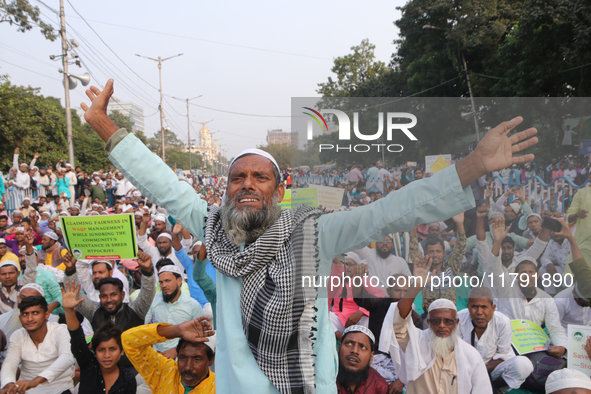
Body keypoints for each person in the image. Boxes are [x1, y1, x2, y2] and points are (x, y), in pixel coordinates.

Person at [81, 78, 538, 393]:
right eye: (238, 176)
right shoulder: (214, 227)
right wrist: (105, 125)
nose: (247, 184)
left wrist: (473, 166)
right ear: (225, 189)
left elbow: (388, 212)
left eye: (260, 177)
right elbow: (164, 183)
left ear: (279, 190)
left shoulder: (315, 231)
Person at [379, 256, 492, 393]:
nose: (442, 325)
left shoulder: (471, 356)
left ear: (456, 323)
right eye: (436, 321)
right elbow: (398, 322)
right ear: (428, 322)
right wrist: (415, 287)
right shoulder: (416, 343)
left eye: (448, 321)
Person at [479, 220, 568, 359]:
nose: (527, 276)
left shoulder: (546, 299)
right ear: (516, 276)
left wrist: (562, 347)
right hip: (506, 346)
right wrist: (497, 242)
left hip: (535, 348)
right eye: (523, 273)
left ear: (537, 275)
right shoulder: (506, 289)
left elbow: (555, 328)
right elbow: (492, 269)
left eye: (531, 273)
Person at [61, 282, 137, 394]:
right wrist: (69, 311)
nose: (107, 355)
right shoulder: (88, 366)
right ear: (94, 352)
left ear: (121, 351)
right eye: (101, 349)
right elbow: (77, 338)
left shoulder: (128, 379)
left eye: (112, 349)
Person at [352, 272, 422, 392]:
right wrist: (357, 277)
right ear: (389, 290)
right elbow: (359, 295)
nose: (401, 295)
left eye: (406, 291)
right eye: (397, 290)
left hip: (402, 367)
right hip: (375, 360)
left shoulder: (416, 320)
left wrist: (402, 379)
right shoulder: (379, 304)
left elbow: (416, 355)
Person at [458, 286, 533, 392]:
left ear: (493, 308)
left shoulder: (503, 322)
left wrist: (482, 370)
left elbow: (504, 355)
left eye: (484, 307)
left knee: (523, 365)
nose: (479, 312)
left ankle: (496, 389)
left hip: (492, 369)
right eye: (474, 306)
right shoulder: (459, 319)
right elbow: (455, 353)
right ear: (468, 307)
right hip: (465, 370)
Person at [63, 250, 155, 333]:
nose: (109, 299)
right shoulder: (94, 311)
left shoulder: (135, 310)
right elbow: (75, 295)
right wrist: (70, 270)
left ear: (122, 295)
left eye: (113, 294)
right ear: (100, 297)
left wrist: (147, 271)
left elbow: (148, 292)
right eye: (104, 296)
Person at [0, 296, 75, 394]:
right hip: (27, 391)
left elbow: (67, 358)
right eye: (25, 314)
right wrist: (9, 384)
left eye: (35, 313)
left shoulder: (60, 330)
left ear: (46, 314)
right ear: (20, 318)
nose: (30, 319)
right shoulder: (18, 335)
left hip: (60, 389)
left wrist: (36, 381)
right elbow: (10, 362)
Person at [121, 317, 215, 393]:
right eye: (183, 357)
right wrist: (177, 330)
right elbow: (128, 340)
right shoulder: (165, 372)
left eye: (197, 359)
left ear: (211, 359)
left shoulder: (220, 387)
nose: (188, 367)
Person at [409, 213, 467, 312]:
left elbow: (460, 248)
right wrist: (414, 228)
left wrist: (460, 224)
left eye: (438, 251)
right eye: (431, 252)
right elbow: (414, 249)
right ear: (426, 253)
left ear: (444, 253)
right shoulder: (423, 269)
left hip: (449, 315)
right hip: (430, 316)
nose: (435, 255)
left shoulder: (452, 267)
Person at [145, 264, 204, 359]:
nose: (164, 285)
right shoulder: (154, 299)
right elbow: (143, 325)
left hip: (182, 358)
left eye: (167, 281)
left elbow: (201, 335)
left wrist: (177, 350)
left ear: (179, 281)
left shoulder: (193, 305)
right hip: (155, 356)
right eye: (161, 282)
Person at [336, 325, 388, 394]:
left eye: (363, 347)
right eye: (348, 343)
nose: (355, 351)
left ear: (371, 357)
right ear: (339, 348)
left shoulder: (379, 386)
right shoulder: (324, 379)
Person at [0, 230, 37, 314]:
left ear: (18, 274)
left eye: (11, 273)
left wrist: (28, 245)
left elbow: (31, 269)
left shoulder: (24, 287)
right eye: (3, 274)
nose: (7, 276)